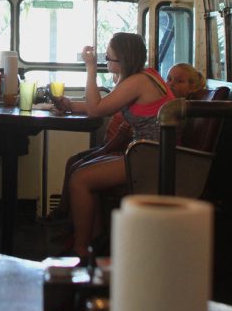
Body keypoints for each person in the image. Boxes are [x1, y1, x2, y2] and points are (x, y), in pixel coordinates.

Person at [53, 32, 175, 258]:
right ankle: (96, 241)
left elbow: (96, 110)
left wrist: (90, 69)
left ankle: (81, 252)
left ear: (123, 60)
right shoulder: (145, 76)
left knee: (80, 179)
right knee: (82, 168)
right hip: (145, 152)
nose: (105, 62)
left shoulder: (137, 82)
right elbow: (102, 105)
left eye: (108, 58)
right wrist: (70, 105)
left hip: (151, 157)